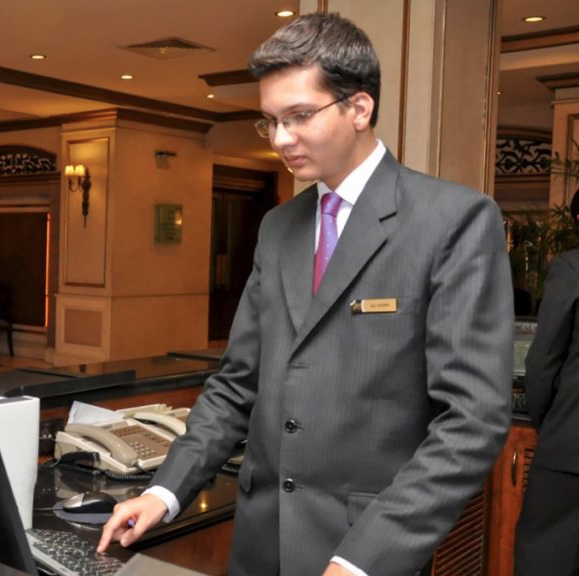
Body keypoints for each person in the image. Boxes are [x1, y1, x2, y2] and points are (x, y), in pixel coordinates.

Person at [98, 12, 514, 576]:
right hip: (258, 544)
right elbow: (236, 384)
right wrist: (164, 492)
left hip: (361, 548)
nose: (280, 140)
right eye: (269, 121)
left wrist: (364, 559)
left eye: (298, 116)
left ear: (359, 108)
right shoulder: (278, 227)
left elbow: (470, 421)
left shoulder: (454, 220)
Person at [514, 193, 579, 576]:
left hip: (568, 452)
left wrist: (548, 423)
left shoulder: (571, 268)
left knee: (545, 559)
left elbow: (542, 364)